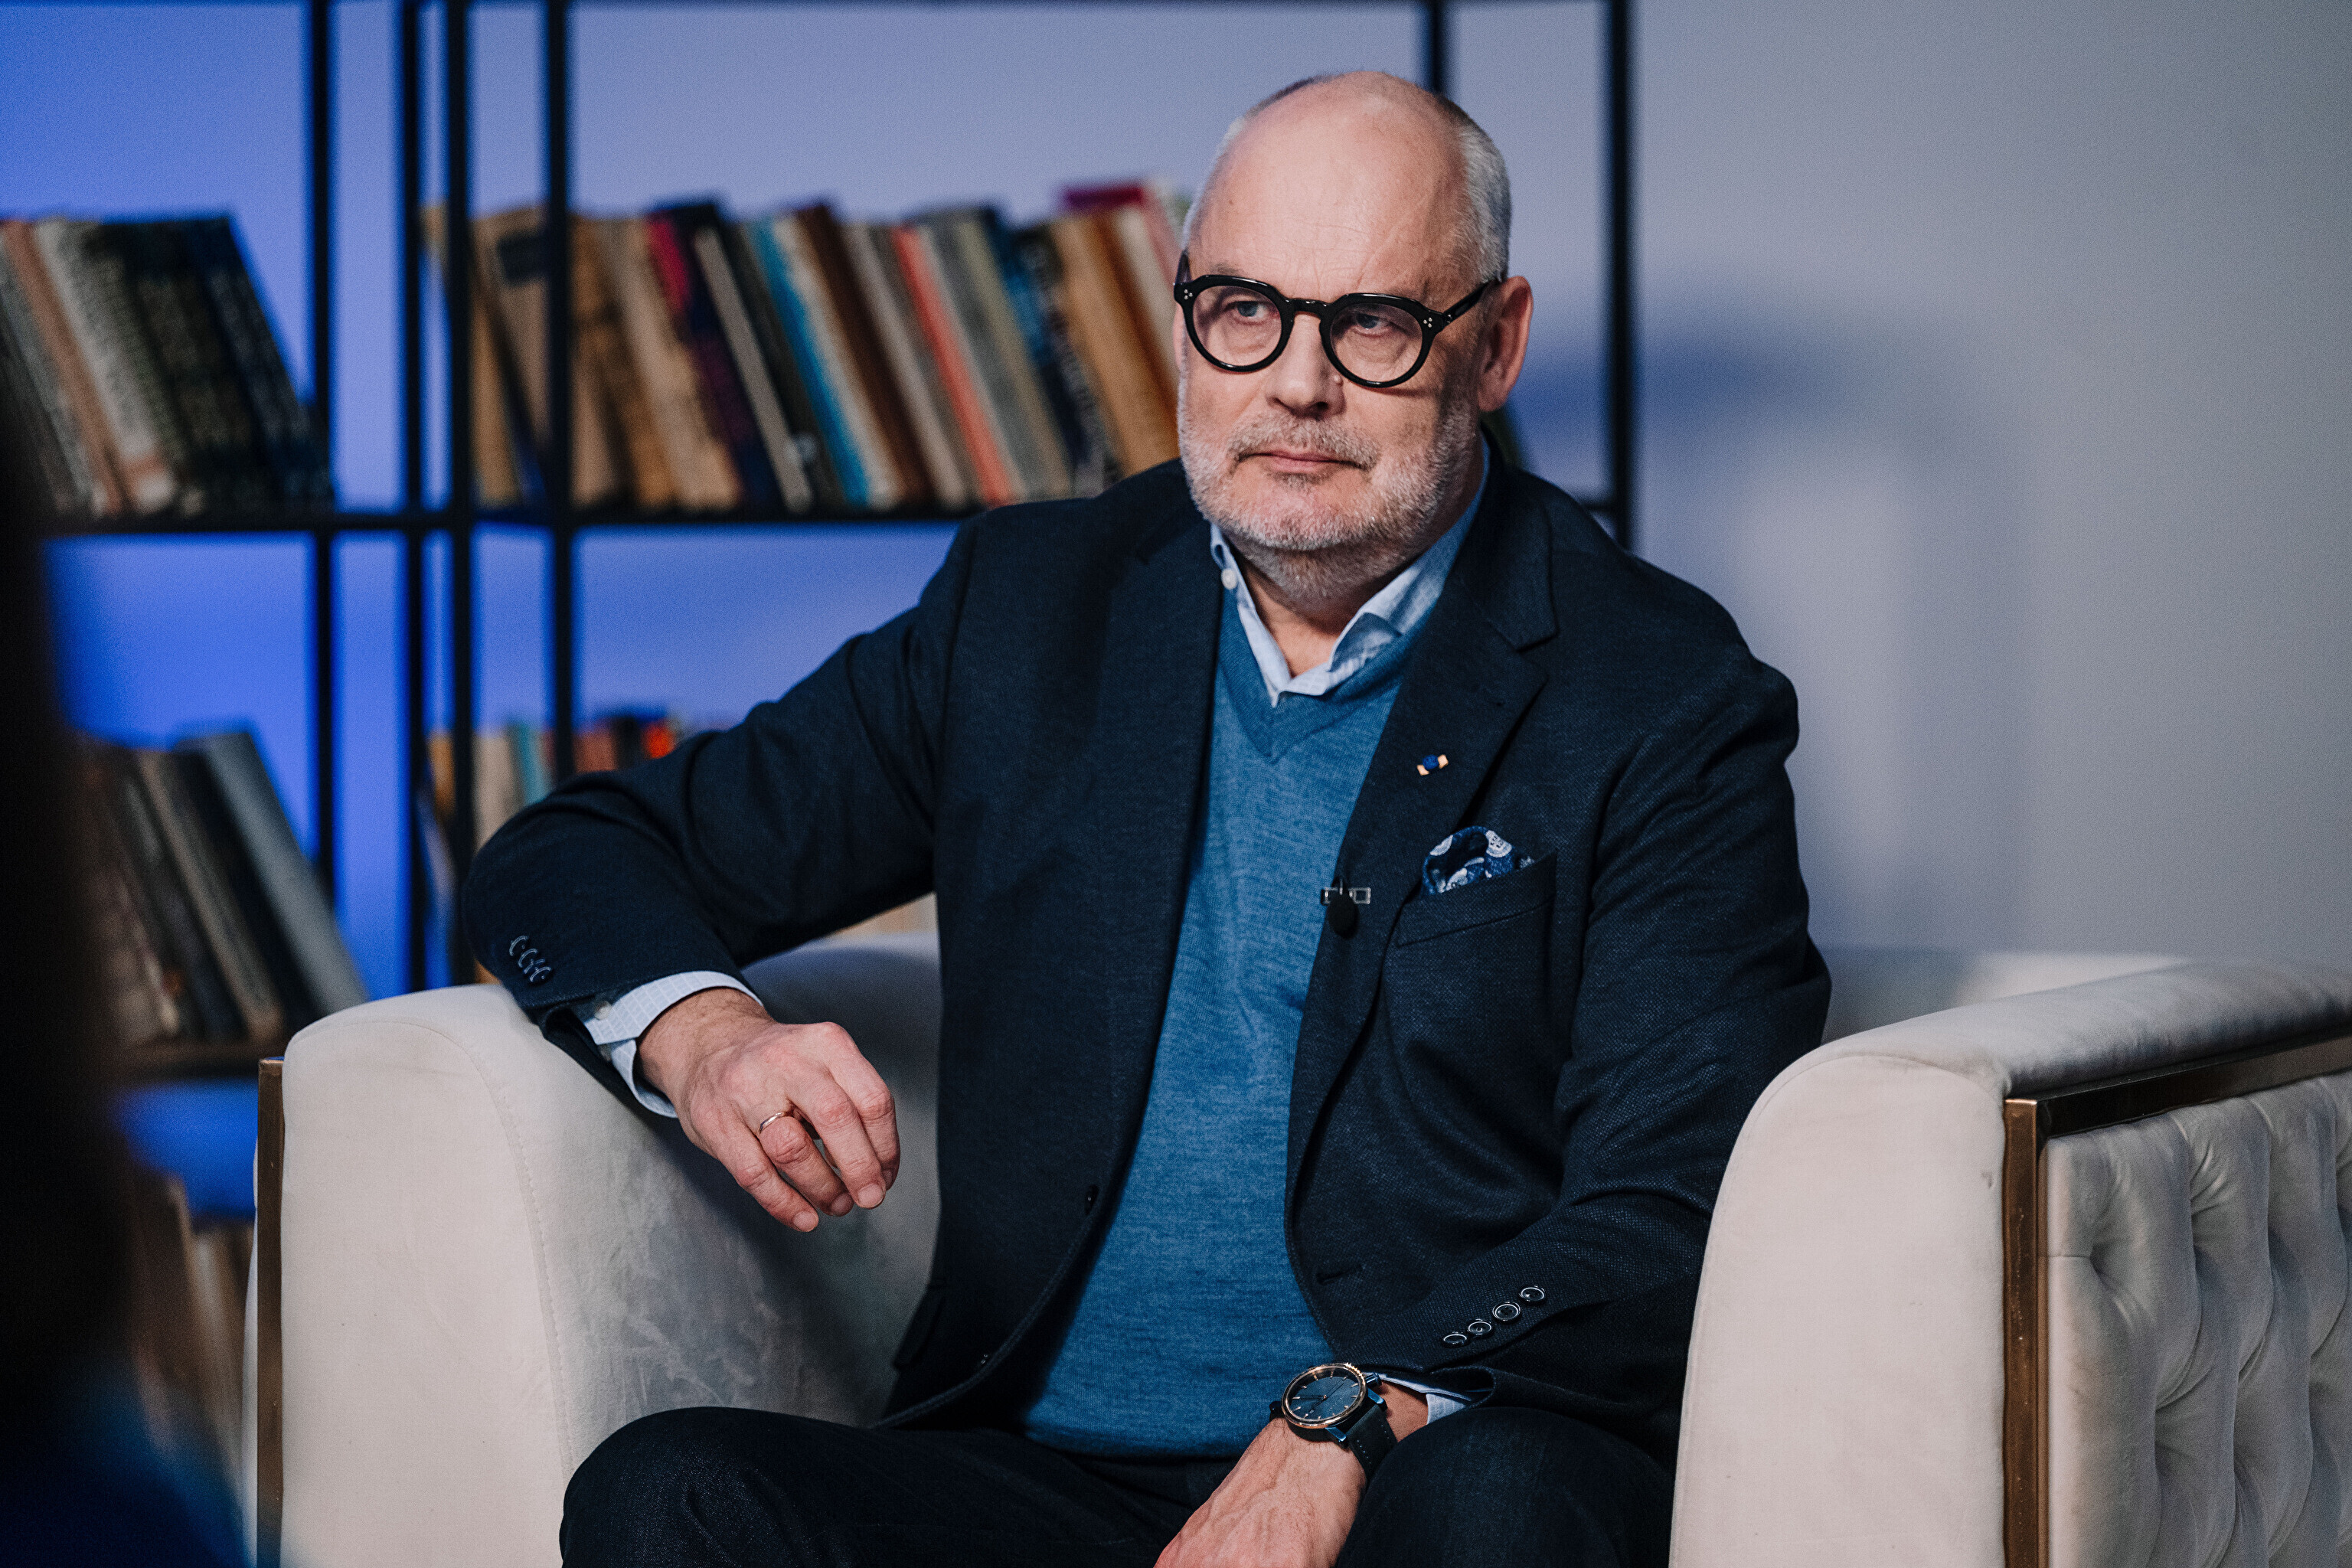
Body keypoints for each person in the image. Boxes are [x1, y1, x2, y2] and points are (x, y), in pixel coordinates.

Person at [466, 70, 1828, 1568]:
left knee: (1500, 1510)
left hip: (1425, 1472)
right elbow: (568, 856)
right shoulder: (1024, 611)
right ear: (1182, 315)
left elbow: (1669, 1205)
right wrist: (707, 1033)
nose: (1296, 385)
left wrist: (1350, 1417)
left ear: (1495, 345)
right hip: (1038, 1483)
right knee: (665, 1496)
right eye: (1244, 309)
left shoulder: (1661, 693)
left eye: (1374, 324)